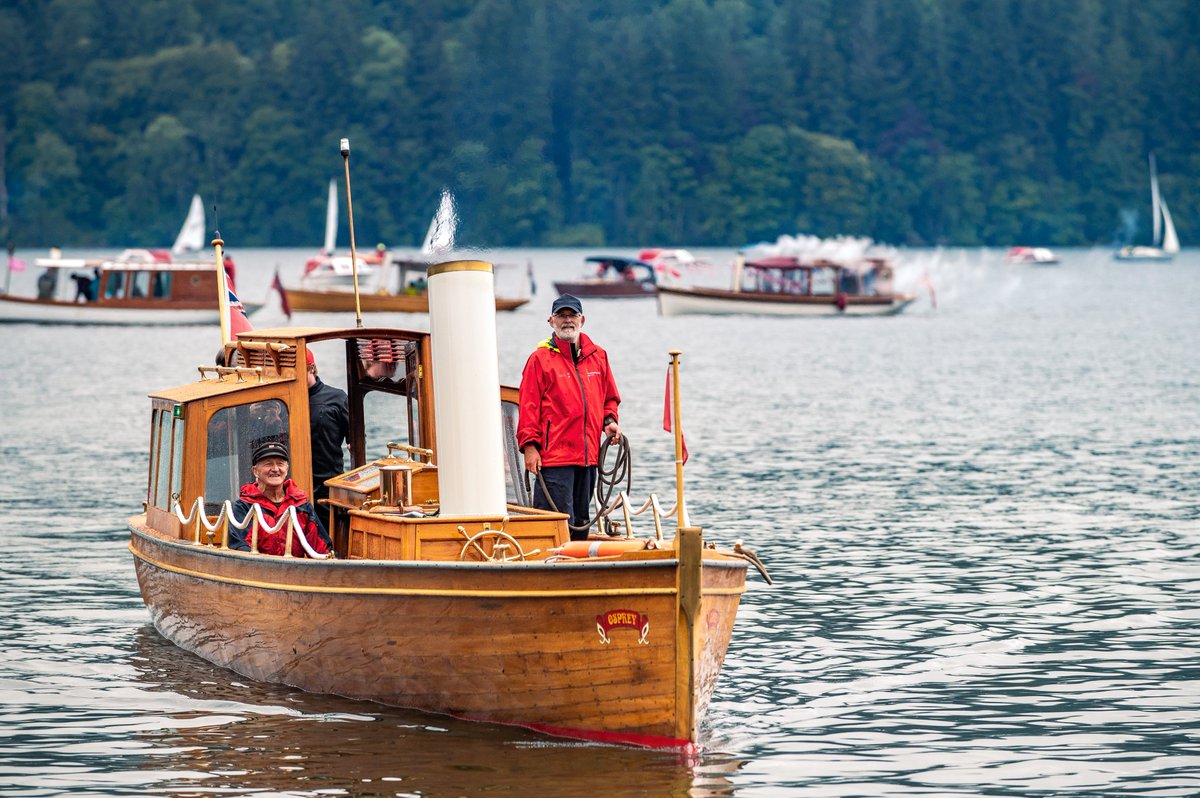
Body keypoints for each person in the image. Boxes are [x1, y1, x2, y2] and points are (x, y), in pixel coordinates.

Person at [517, 293, 621, 540]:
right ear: (551, 321)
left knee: (581, 526)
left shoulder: (599, 356)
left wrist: (610, 421)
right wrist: (530, 448)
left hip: (588, 460)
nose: (567, 321)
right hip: (554, 461)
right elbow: (528, 408)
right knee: (553, 527)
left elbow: (609, 398)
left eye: (572, 315)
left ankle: (577, 572)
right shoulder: (539, 360)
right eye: (561, 316)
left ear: (582, 319)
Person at [229, 441, 333, 557]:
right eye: (268, 464)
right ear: (255, 471)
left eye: (280, 464)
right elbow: (240, 548)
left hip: (296, 571)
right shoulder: (244, 506)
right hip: (258, 572)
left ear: (286, 469)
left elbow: (320, 547)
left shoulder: (301, 504)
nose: (275, 469)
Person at [306, 349, 349, 505]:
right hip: (294, 483)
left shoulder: (337, 398)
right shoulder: (284, 400)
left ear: (311, 368)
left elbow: (355, 439)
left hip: (328, 483)